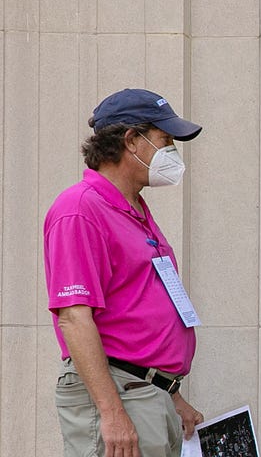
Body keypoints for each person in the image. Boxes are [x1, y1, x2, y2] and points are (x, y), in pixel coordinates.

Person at [46, 88, 205, 457]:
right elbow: (73, 317)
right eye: (165, 140)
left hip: (145, 394)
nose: (172, 152)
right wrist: (111, 411)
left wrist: (171, 394)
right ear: (131, 140)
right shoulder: (80, 209)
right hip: (120, 394)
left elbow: (136, 310)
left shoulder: (135, 211)